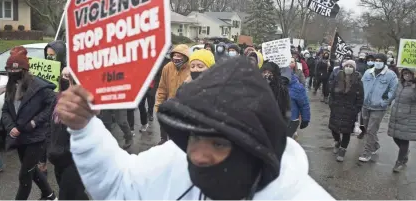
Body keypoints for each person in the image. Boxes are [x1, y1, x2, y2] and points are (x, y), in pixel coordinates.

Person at [56, 57, 334, 200]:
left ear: (255, 148)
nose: (198, 155)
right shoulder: (176, 158)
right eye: (194, 137)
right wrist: (84, 129)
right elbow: (121, 185)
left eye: (219, 143)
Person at [0, 46, 57, 200]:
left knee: (24, 176)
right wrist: (10, 126)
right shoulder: (11, 87)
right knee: (32, 170)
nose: (12, 75)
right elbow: (5, 110)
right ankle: (50, 195)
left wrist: (34, 122)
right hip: (19, 137)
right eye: (10, 72)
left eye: (16, 72)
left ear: (24, 71)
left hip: (36, 137)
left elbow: (52, 105)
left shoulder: (40, 87)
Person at [48, 67, 89, 200]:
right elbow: (51, 129)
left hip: (74, 159)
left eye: (69, 76)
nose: (66, 79)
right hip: (58, 157)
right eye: (64, 76)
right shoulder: (56, 99)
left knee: (66, 195)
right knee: (75, 194)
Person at [359, 53, 398, 162]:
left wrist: (384, 102)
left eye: (380, 60)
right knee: (367, 128)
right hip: (366, 105)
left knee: (371, 129)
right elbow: (361, 86)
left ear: (384, 62)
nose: (377, 62)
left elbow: (393, 90)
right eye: (376, 60)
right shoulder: (368, 72)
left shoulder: (390, 75)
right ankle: (375, 145)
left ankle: (367, 152)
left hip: (379, 108)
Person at [39, 40, 67, 176]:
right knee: (44, 137)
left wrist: (63, 81)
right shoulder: (44, 70)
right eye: (48, 55)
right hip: (45, 111)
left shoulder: (68, 72)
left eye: (53, 55)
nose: (50, 58)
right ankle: (42, 167)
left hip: (61, 116)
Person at [328, 60, 364, 162]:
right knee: (334, 129)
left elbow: (360, 98)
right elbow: (332, 93)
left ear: (354, 68)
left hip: (350, 111)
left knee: (346, 132)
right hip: (337, 108)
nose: (348, 68)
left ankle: (343, 150)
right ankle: (337, 141)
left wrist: (355, 109)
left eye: (351, 66)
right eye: (347, 65)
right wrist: (332, 105)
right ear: (343, 67)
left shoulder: (358, 81)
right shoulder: (338, 78)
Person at [155, 44, 190, 144]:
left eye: (179, 56)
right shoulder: (167, 67)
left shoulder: (191, 68)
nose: (176, 58)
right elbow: (162, 88)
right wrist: (158, 106)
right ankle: (163, 139)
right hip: (169, 105)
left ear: (185, 57)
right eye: (174, 56)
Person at [387, 68, 416, 172]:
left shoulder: (414, 86)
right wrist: (388, 102)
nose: (406, 75)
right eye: (405, 73)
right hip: (396, 114)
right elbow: (394, 94)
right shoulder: (400, 84)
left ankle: (399, 162)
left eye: (409, 74)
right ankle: (405, 153)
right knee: (395, 137)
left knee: (404, 139)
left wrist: (413, 88)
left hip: (409, 116)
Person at [281, 67, 310, 138]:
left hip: (292, 120)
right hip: (278, 119)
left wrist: (305, 119)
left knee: (285, 141)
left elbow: (304, 105)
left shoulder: (297, 87)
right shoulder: (275, 85)